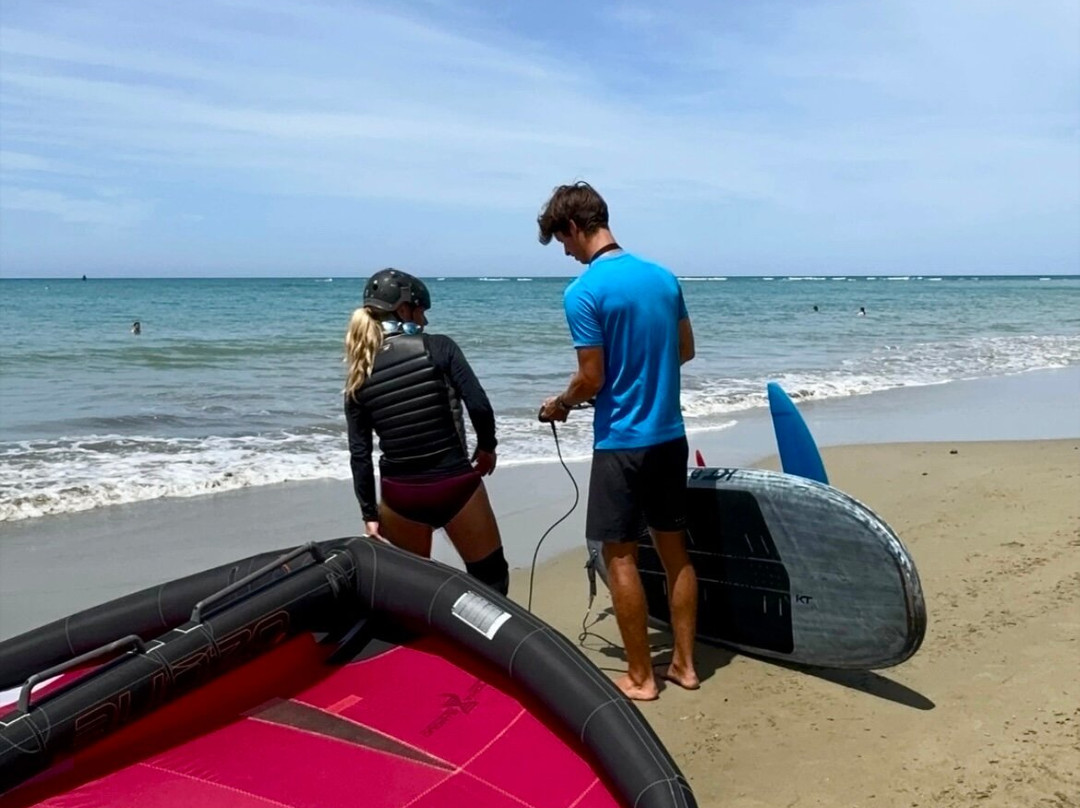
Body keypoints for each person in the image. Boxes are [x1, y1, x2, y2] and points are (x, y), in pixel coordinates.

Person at [536, 181, 699, 701]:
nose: (564, 251)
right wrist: (643, 372)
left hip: (622, 443)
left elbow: (591, 377)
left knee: (619, 556)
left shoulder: (584, 291)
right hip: (670, 436)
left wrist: (560, 404)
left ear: (573, 227)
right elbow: (685, 351)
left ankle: (641, 677)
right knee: (675, 552)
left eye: (561, 240)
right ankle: (684, 667)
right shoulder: (663, 277)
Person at [343, 268, 509, 595]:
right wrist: (487, 448)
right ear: (403, 309)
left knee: (413, 593)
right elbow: (479, 405)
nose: (425, 321)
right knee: (491, 580)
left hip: (400, 497)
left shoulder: (357, 376)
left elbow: (359, 455)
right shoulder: (439, 347)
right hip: (453, 485)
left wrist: (369, 515)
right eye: (421, 310)